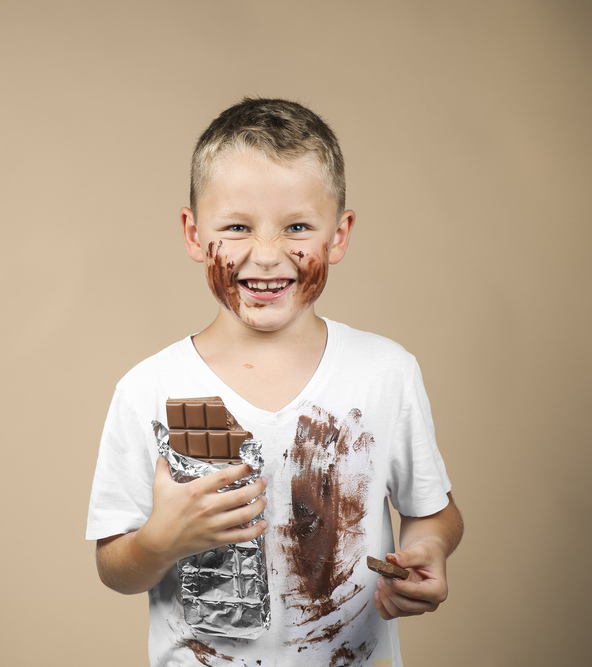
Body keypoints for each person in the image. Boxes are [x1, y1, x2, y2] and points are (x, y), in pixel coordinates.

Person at [86, 98, 463, 666]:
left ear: (339, 235)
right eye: (236, 227)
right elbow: (115, 566)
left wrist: (428, 548)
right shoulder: (148, 389)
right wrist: (160, 542)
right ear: (193, 234)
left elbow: (433, 510)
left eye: (298, 227)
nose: (266, 255)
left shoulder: (386, 372)